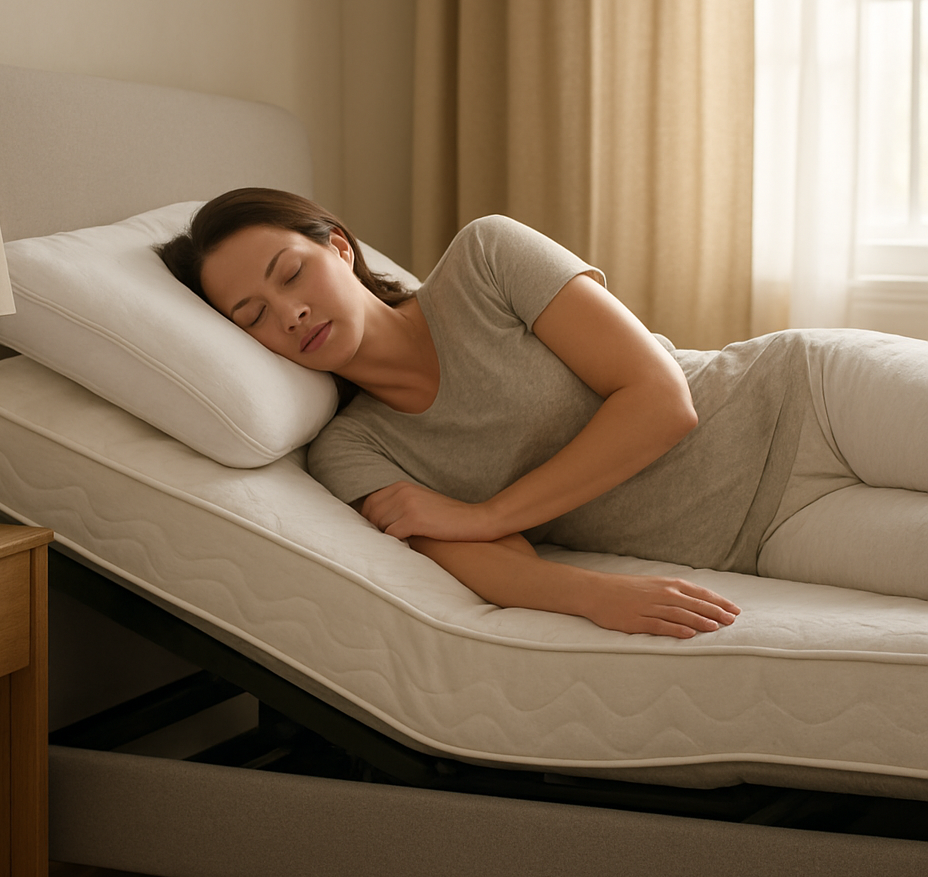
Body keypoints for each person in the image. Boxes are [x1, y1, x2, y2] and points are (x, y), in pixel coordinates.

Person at [158, 188, 928, 639]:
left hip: (810, 394)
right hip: (765, 536)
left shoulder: (485, 260)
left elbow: (662, 401)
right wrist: (598, 596)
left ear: (341, 249)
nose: (289, 314)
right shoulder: (353, 452)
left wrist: (486, 512)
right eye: (254, 316)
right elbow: (493, 568)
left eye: (291, 273)